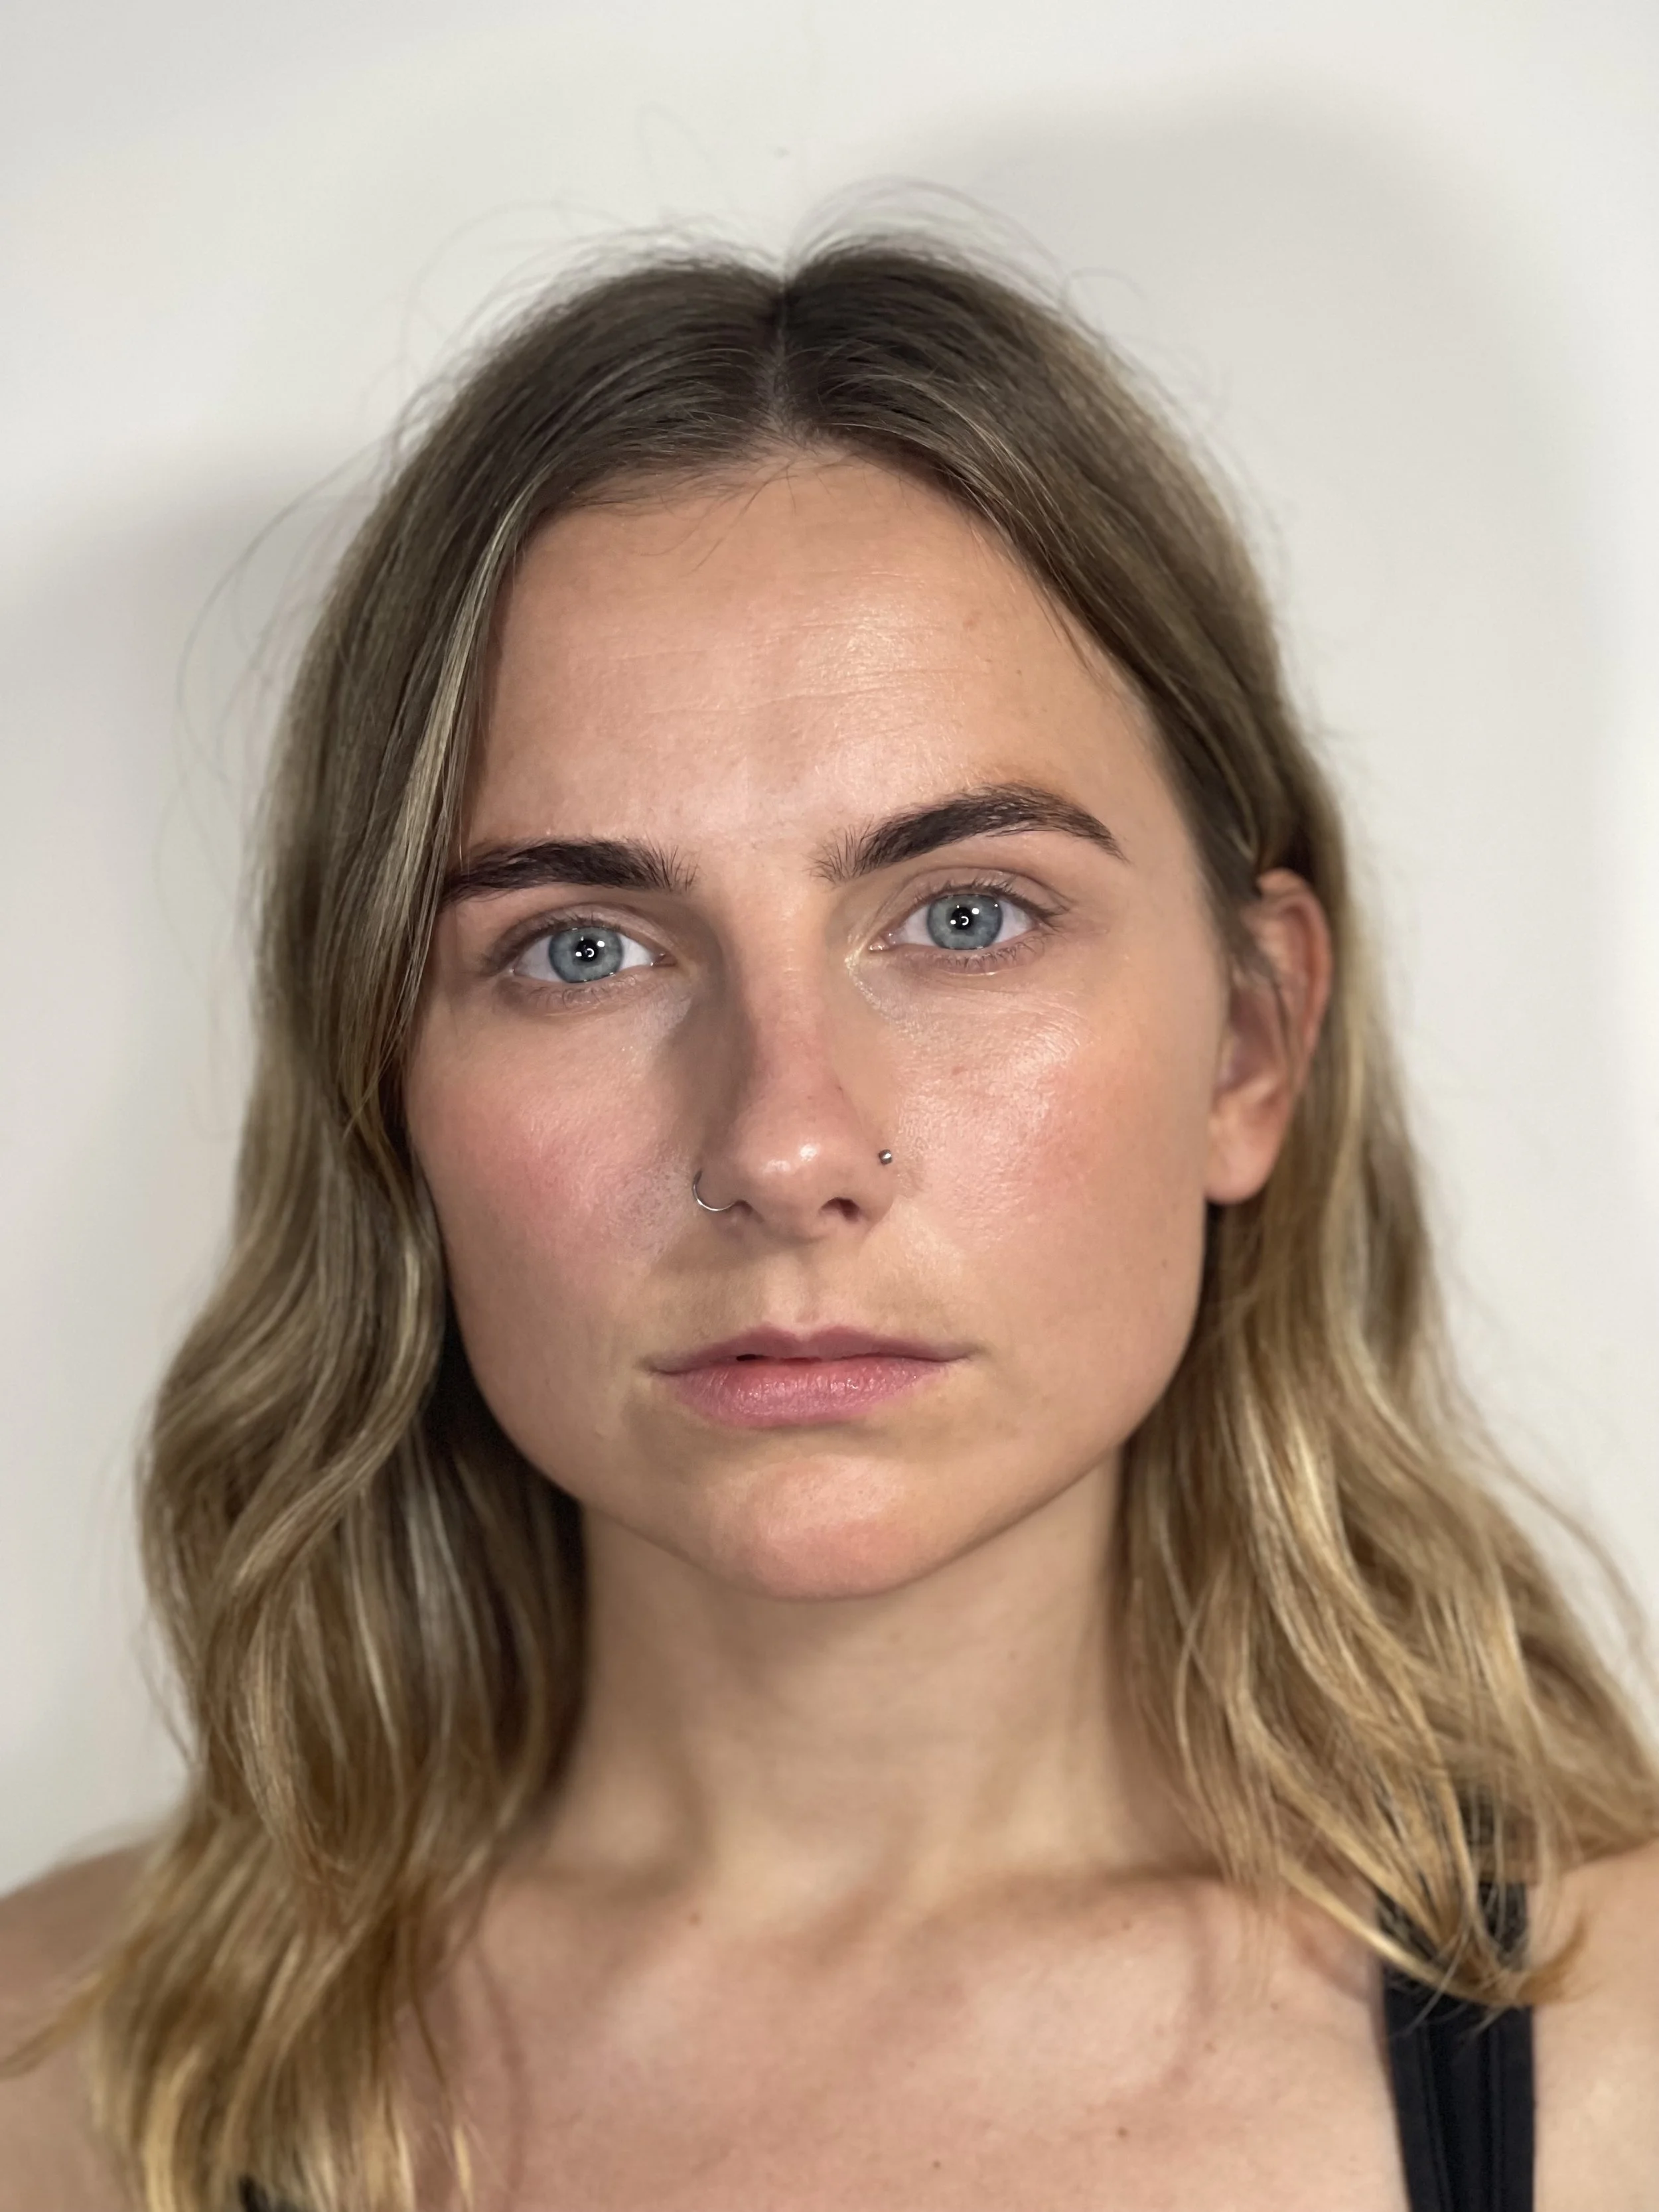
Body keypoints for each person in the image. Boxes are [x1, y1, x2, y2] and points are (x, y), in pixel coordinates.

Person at [2, 235, 1657, 2212]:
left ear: (1248, 1037)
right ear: (388, 1089)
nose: (786, 1146)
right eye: (583, 947)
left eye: (964, 915)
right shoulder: (74, 2079)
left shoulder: (1613, 2062)